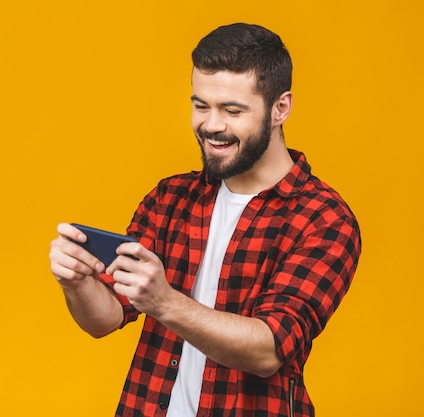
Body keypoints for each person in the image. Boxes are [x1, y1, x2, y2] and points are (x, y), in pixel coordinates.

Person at [49, 22, 361, 417]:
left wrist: (164, 302)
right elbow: (106, 317)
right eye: (201, 105)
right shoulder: (170, 198)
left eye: (232, 110)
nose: (212, 125)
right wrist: (77, 282)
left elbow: (269, 349)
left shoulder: (324, 219)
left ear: (280, 108)